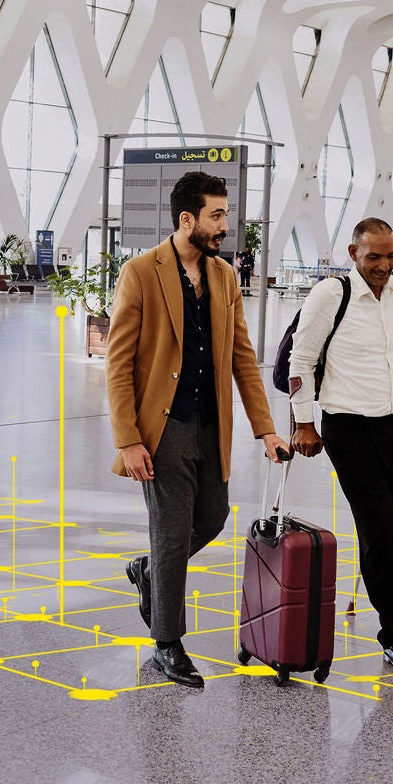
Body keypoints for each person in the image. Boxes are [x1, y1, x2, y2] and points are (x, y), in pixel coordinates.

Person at [110, 171, 286, 689]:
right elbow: (119, 363)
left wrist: (265, 429)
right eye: (216, 215)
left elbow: (243, 359)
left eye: (225, 214)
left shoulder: (224, 277)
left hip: (212, 424)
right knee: (170, 532)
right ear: (187, 219)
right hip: (162, 427)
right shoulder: (142, 272)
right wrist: (128, 438)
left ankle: (148, 571)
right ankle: (168, 642)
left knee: (211, 518)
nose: (224, 225)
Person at [288, 218, 393, 677]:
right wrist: (305, 423)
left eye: (390, 256)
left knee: (386, 522)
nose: (384, 266)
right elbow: (301, 360)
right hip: (346, 426)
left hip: (388, 423)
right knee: (378, 528)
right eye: (374, 257)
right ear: (353, 254)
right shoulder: (331, 294)